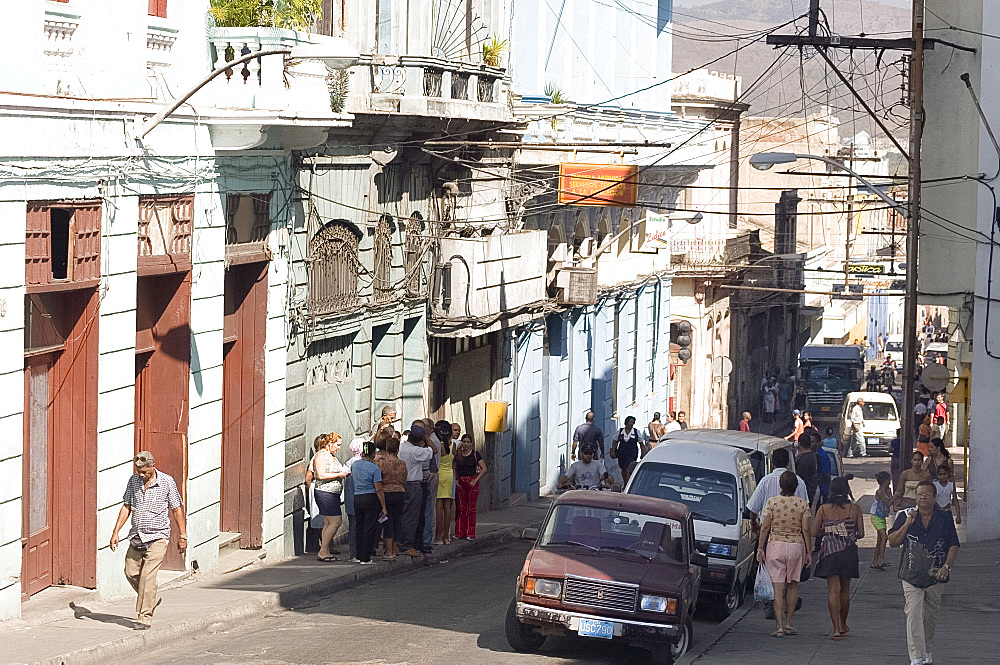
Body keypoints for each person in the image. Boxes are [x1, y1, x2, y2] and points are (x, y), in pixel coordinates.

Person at [109, 451, 186, 630]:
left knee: (147, 577)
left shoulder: (167, 482)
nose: (142, 475)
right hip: (137, 535)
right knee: (131, 572)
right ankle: (151, 599)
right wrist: (115, 532)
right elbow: (126, 507)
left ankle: (144, 617)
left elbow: (176, 510)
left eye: (145, 472)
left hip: (158, 536)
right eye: (139, 472)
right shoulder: (133, 481)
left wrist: (183, 536)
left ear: (153, 466)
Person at [888, 480, 960, 665]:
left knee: (929, 616)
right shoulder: (905, 515)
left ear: (935, 497)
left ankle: (927, 650)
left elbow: (953, 544)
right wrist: (907, 524)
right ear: (915, 497)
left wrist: (947, 566)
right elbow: (893, 541)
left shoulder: (944, 518)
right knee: (913, 613)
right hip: (911, 576)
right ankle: (916, 656)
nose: (923, 498)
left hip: (936, 576)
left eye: (927, 494)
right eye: (920, 494)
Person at [756, 470, 812, 638]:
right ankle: (789, 623)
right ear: (796, 486)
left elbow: (765, 526)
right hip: (796, 546)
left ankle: (779, 626)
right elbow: (806, 528)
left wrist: (760, 548)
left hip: (775, 547)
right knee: (793, 585)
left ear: (780, 485)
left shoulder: (772, 502)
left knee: (778, 588)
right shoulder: (802, 504)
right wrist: (809, 551)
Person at [812, 476, 864, 640]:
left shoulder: (823, 509)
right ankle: (843, 624)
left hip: (829, 553)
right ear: (846, 490)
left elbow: (814, 532)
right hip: (848, 552)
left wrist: (829, 530)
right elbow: (861, 534)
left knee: (833, 590)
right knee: (845, 590)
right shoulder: (854, 509)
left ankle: (835, 629)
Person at [310, 433, 350, 562]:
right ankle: (322, 551)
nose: (338, 447)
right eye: (337, 445)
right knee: (336, 521)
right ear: (329, 443)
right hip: (325, 493)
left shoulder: (331, 456)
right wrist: (340, 474)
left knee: (328, 522)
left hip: (332, 493)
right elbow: (321, 475)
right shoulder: (321, 455)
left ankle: (326, 550)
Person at [397, 424, 433, 557]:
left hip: (400, 484)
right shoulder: (416, 451)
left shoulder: (401, 447)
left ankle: (398, 542)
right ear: (420, 439)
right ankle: (406, 545)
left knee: (402, 514)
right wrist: (427, 438)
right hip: (413, 485)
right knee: (411, 516)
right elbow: (432, 450)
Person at [352, 441, 389, 565]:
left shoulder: (355, 465)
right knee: (369, 528)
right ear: (373, 454)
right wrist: (383, 507)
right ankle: (366, 557)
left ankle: (358, 554)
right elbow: (378, 489)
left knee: (359, 526)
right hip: (371, 497)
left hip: (357, 497)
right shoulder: (374, 468)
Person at [374, 436, 407, 560]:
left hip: (386, 493)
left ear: (387, 449)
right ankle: (394, 549)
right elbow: (404, 479)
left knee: (387, 521)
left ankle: (388, 552)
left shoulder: (382, 464)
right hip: (399, 492)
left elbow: (378, 479)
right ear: (397, 449)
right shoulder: (402, 463)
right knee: (397, 521)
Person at [454, 433, 486, 540]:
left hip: (472, 482)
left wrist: (475, 479)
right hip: (461, 482)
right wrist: (456, 480)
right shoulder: (458, 455)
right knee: (461, 508)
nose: (466, 444)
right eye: (464, 442)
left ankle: (470, 532)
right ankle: (459, 532)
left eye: (468, 442)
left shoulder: (475, 454)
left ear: (471, 443)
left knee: (471, 508)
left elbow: (484, 468)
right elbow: (454, 467)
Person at [342, 438, 365, 562]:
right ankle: (362, 552)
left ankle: (353, 553)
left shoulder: (348, 463)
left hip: (351, 500)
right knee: (362, 527)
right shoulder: (364, 464)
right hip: (363, 499)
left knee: (353, 528)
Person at [434, 425, 456, 545]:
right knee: (447, 507)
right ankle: (445, 536)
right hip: (449, 475)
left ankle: (438, 536)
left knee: (439, 507)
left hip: (440, 474)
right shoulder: (454, 445)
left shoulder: (440, 445)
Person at [610, 416, 642, 486]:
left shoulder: (636, 432)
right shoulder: (620, 431)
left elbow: (641, 443)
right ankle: (625, 482)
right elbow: (615, 441)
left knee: (629, 467)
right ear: (626, 423)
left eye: (632, 423)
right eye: (630, 422)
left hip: (632, 453)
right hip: (622, 453)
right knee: (623, 468)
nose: (631, 424)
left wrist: (643, 453)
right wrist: (613, 450)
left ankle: (628, 484)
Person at [871, 471, 892, 570]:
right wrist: (896, 496)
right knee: (884, 537)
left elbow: (892, 502)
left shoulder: (889, 490)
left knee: (879, 540)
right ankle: (881, 559)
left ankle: (875, 561)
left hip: (882, 517)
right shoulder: (879, 492)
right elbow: (888, 503)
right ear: (885, 481)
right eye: (889, 480)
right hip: (876, 517)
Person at [795, 430, 820, 506]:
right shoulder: (813, 456)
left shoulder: (805, 459)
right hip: (811, 492)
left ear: (799, 444)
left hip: (805, 495)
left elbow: (800, 478)